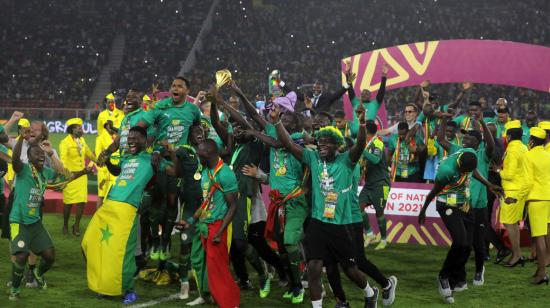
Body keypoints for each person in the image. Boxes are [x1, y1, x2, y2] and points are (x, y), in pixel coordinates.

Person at [273, 104, 379, 308]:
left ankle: (370, 291)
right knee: (313, 268)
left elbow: (359, 146)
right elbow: (288, 144)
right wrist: (277, 121)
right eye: (319, 142)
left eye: (325, 144)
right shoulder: (312, 158)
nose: (320, 146)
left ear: (337, 145)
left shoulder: (346, 161)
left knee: (350, 269)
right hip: (318, 223)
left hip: (340, 225)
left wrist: (363, 123)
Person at [82, 126, 180, 304]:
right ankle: (106, 285)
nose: (131, 141)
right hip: (109, 205)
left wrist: (171, 152)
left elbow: (175, 172)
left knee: (123, 253)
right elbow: (117, 172)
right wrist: (109, 161)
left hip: (127, 210)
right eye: (130, 139)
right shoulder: (126, 157)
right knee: (90, 242)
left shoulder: (152, 159)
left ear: (144, 140)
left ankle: (128, 290)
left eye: (135, 138)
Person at [237, 81, 308, 303]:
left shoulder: (298, 143)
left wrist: (258, 131)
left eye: (285, 121)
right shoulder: (275, 133)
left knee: (289, 242)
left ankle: (299, 286)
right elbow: (252, 115)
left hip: (295, 201)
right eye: (278, 119)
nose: (278, 123)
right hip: (276, 202)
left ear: (294, 126)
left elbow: (280, 144)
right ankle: (293, 280)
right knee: (282, 248)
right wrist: (239, 92)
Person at [9, 128, 90, 300]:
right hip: (19, 221)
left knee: (49, 256)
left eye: (41, 154)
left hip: (35, 223)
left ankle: (38, 273)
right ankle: (15, 290)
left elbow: (65, 176)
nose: (40, 156)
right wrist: (21, 140)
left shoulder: (46, 172)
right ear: (29, 157)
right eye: (36, 153)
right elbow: (15, 159)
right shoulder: (23, 170)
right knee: (21, 256)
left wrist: (83, 171)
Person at [418, 148, 497, 304]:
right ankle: (443, 276)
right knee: (460, 241)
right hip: (447, 204)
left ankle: (455, 281)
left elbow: (473, 171)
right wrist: (423, 210)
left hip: (465, 205)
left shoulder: (470, 156)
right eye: (462, 171)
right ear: (459, 164)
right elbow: (434, 191)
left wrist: (488, 184)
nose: (464, 174)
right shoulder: (446, 170)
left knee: (467, 247)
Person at [138, 76, 202, 260]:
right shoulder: (161, 107)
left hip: (178, 163)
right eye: (173, 85)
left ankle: (165, 241)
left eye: (179, 86)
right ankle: (156, 242)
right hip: (160, 161)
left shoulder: (192, 110)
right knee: (156, 203)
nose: (175, 88)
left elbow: (197, 130)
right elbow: (141, 125)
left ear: (187, 91)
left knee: (172, 203)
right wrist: (139, 141)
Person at [436, 114, 496, 287]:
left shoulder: (484, 154)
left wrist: (483, 122)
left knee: (478, 243)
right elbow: (440, 139)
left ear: (477, 141)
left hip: (479, 206)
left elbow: (491, 145)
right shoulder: (457, 150)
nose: (464, 137)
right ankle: (459, 278)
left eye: (469, 136)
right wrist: (444, 120)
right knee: (463, 244)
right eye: (464, 135)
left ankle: (479, 270)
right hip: (462, 205)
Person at [181, 139, 240, 308]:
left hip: (217, 225)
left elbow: (233, 206)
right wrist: (190, 221)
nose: (198, 156)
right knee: (198, 261)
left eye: (200, 154)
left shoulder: (225, 173)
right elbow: (206, 201)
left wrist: (221, 231)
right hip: (203, 224)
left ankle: (230, 302)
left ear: (209, 153)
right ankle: (205, 295)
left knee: (217, 267)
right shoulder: (206, 172)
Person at [506, 127, 550, 285]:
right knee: (545, 233)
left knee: (538, 237)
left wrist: (516, 198)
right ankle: (540, 269)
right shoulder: (548, 154)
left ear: (531, 141)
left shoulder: (528, 156)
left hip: (537, 200)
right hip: (548, 198)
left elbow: (527, 182)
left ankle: (542, 274)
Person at [59, 118, 97, 236]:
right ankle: (65, 225)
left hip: (82, 176)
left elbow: (89, 153)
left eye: (81, 127)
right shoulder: (64, 143)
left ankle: (76, 226)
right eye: (78, 128)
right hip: (70, 177)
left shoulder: (82, 140)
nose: (81, 129)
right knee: (68, 203)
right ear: (72, 130)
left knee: (81, 202)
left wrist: (99, 161)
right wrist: (66, 174)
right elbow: (63, 160)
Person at [499, 120, 528, 266]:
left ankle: (516, 255)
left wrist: (499, 171)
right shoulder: (524, 147)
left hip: (511, 190)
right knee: (514, 223)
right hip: (520, 191)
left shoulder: (511, 150)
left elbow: (509, 174)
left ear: (509, 137)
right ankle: (518, 254)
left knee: (509, 223)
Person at [360, 120, 391, 249]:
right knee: (358, 207)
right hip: (369, 184)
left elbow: (376, 160)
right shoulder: (368, 144)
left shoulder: (377, 142)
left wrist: (362, 150)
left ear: (367, 132)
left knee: (379, 212)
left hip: (381, 183)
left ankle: (383, 240)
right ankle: (370, 233)